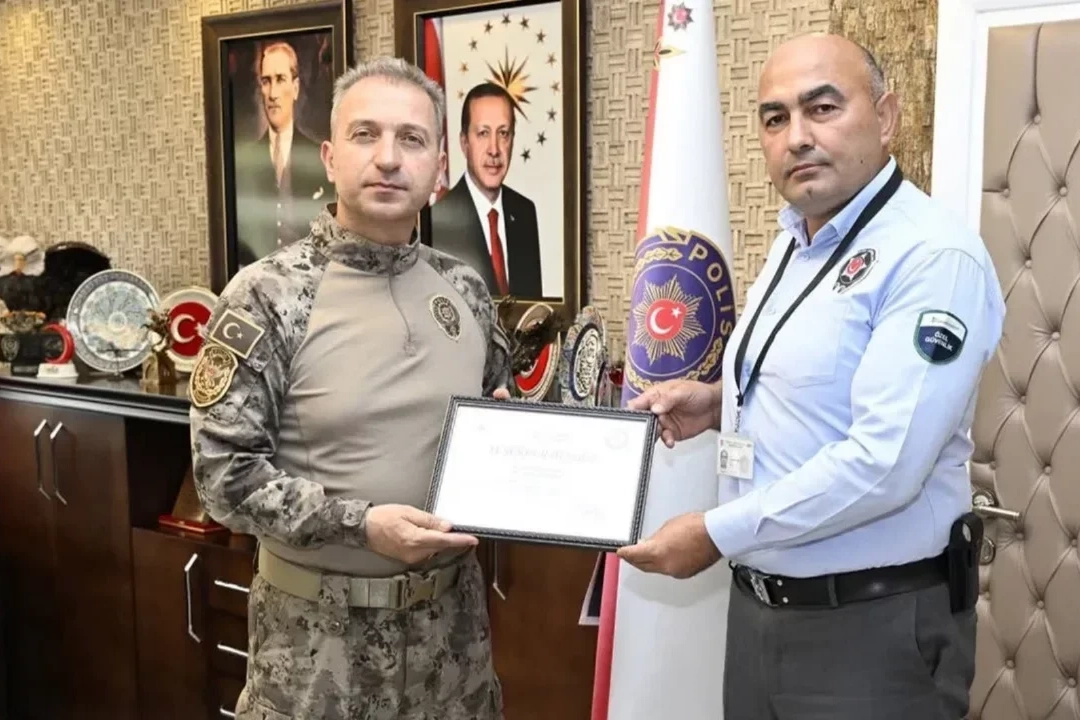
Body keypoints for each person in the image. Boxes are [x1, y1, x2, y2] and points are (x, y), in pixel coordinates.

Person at [617, 33, 1006, 719]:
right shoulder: (795, 241)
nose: (796, 136)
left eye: (822, 108)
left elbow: (885, 464)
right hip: (760, 615)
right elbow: (817, 384)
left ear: (886, 117)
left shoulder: (933, 256)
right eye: (775, 117)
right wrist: (718, 403)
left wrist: (715, 532)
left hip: (870, 631)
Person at [189, 55, 511, 720]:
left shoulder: (468, 291)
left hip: (453, 650)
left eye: (411, 139)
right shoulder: (266, 296)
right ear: (331, 158)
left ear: (439, 170)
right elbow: (222, 477)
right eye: (366, 135)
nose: (388, 158)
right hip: (317, 655)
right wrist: (359, 526)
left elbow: (493, 427)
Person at [429, 82, 543, 298]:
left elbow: (532, 308)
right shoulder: (437, 221)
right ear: (464, 143)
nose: (494, 149)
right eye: (483, 133)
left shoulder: (524, 212)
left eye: (503, 133)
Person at [234, 40, 332, 267]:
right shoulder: (246, 161)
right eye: (266, 81)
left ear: (295, 88)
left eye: (280, 79)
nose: (273, 93)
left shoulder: (318, 157)